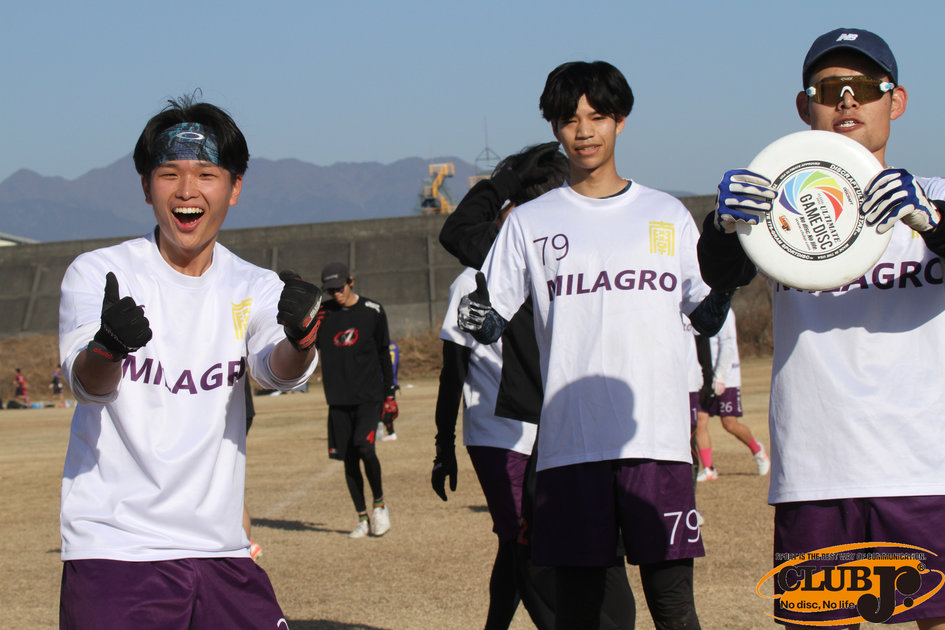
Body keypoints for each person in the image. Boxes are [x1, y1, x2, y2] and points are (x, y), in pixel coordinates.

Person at [459, 60, 730, 630]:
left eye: (597, 116)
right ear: (555, 128)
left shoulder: (666, 213)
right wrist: (475, 313)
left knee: (674, 606)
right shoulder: (529, 222)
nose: (583, 131)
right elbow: (488, 322)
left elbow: (704, 317)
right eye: (569, 119)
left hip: (657, 442)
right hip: (569, 448)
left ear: (620, 120)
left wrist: (730, 274)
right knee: (580, 613)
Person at [698, 28, 945, 628]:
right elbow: (719, 276)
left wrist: (930, 222)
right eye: (828, 89)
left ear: (897, 100)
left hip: (925, 467)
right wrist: (722, 225)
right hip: (814, 470)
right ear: (804, 106)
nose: (847, 100)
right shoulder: (776, 206)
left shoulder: (934, 196)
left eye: (865, 87)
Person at [57, 96, 322, 629]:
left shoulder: (255, 285)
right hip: (117, 550)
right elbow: (86, 382)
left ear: (235, 187)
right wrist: (110, 346)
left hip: (222, 549)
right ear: (145, 186)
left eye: (206, 174)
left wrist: (302, 338)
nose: (186, 190)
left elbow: (276, 370)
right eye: (168, 173)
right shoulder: (99, 274)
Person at [437, 143, 638, 630]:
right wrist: (444, 443)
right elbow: (453, 368)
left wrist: (504, 181)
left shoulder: (535, 250)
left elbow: (457, 230)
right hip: (525, 429)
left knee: (539, 549)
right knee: (545, 545)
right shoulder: (492, 272)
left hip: (553, 425)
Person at [316, 261, 397, 538]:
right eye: (330, 290)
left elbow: (384, 352)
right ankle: (362, 518)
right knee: (349, 457)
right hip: (337, 398)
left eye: (340, 287)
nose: (336, 293)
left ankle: (380, 506)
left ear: (351, 281)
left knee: (364, 446)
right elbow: (306, 347)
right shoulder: (322, 314)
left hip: (369, 396)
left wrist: (390, 393)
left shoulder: (373, 311)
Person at [690, 309, 769, 482]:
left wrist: (720, 375)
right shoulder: (699, 308)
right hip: (704, 377)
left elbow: (728, 344)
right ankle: (709, 468)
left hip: (726, 377)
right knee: (700, 421)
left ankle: (757, 451)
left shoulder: (724, 311)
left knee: (729, 423)